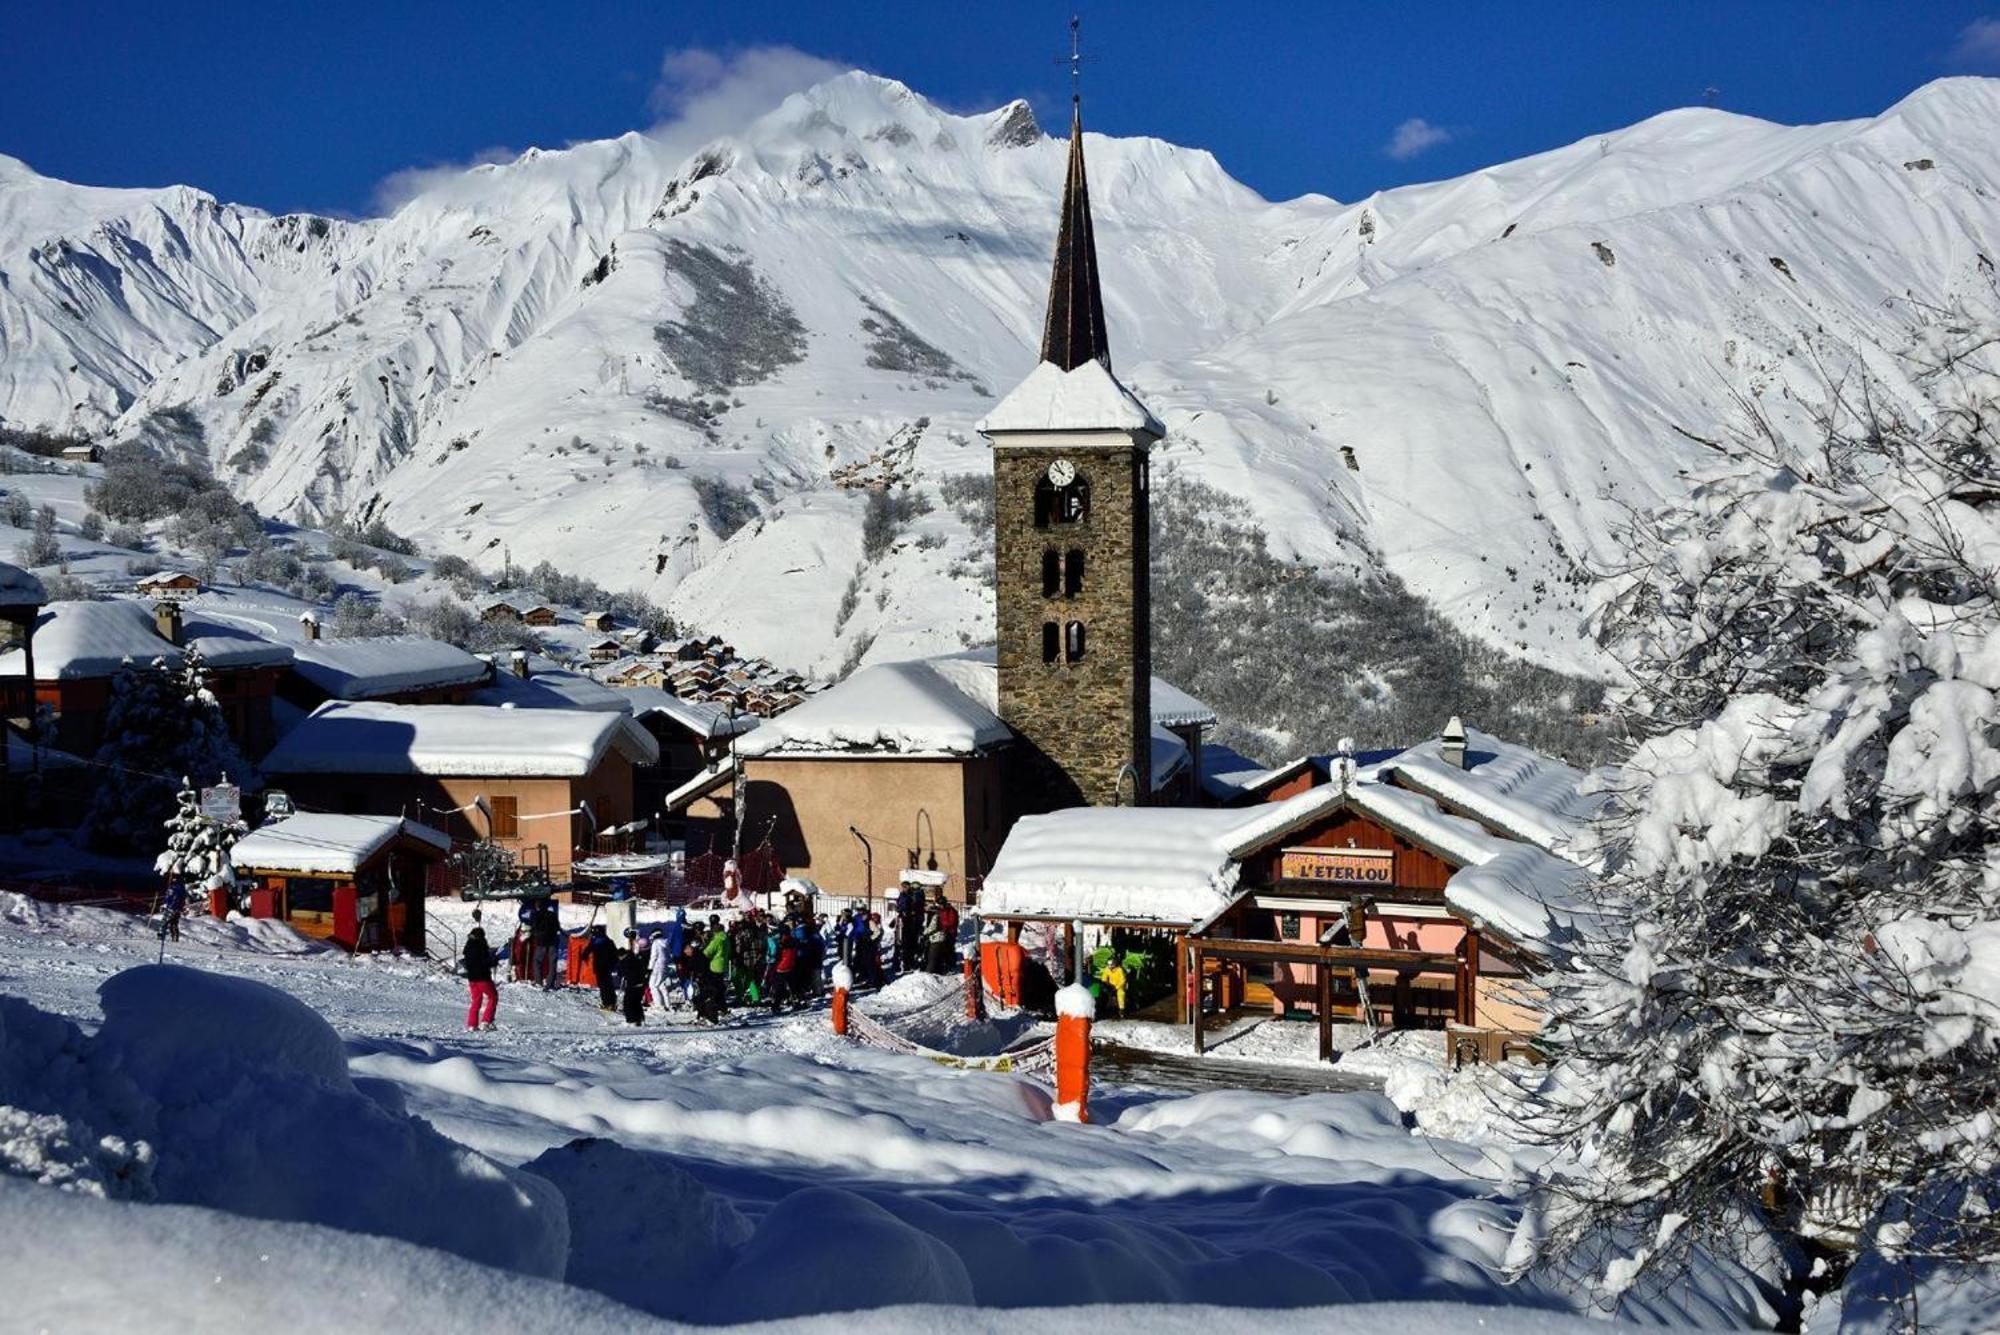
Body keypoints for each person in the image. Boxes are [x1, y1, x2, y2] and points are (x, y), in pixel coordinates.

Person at [462, 923, 498, 1030]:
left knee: (476, 1000)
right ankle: (486, 1021)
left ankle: (472, 1024)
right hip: (483, 977)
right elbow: (484, 962)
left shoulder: (468, 946)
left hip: (472, 978)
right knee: (493, 997)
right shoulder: (481, 945)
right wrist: (493, 961)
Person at [531, 898, 562, 990]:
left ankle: (538, 981)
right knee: (552, 963)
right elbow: (557, 927)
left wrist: (536, 934)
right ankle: (550, 983)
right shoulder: (552, 915)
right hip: (553, 941)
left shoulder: (536, 915)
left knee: (537, 961)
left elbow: (534, 928)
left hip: (541, 942)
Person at [619, 929, 648, 1026]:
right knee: (636, 1001)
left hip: (633, 982)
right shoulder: (634, 956)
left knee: (628, 1002)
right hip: (640, 981)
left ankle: (632, 1020)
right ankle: (639, 1018)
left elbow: (626, 971)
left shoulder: (629, 959)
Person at [588, 925, 620, 1013]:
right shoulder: (609, 941)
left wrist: (584, 956)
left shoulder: (595, 942)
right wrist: (614, 965)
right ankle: (612, 1003)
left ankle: (607, 1003)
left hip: (600, 967)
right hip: (608, 967)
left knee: (604, 987)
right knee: (609, 986)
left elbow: (587, 951)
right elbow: (615, 954)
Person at [647, 928, 673, 1010]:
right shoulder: (665, 943)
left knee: (653, 985)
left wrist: (650, 968)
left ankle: (659, 1005)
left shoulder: (656, 943)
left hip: (656, 967)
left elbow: (653, 956)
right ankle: (667, 1004)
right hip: (664, 966)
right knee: (661, 985)